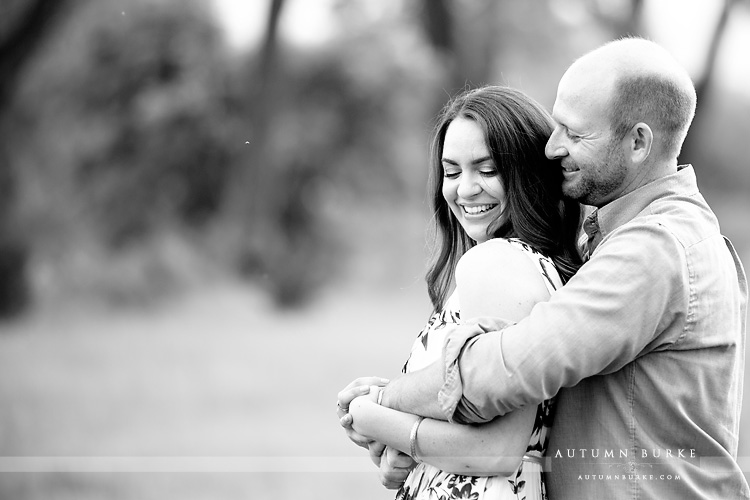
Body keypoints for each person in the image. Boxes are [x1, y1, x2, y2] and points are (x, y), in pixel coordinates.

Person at [363, 37, 749, 499]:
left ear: (639, 142)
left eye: (575, 133)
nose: (550, 148)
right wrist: (413, 431)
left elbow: (508, 369)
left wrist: (381, 405)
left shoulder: (655, 250)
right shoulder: (628, 237)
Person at [337, 85, 582, 499]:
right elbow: (470, 407)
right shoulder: (531, 264)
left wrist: (370, 413)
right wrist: (402, 428)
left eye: (487, 170)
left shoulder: (496, 264)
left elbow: (496, 451)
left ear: (528, 174)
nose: (465, 189)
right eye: (452, 172)